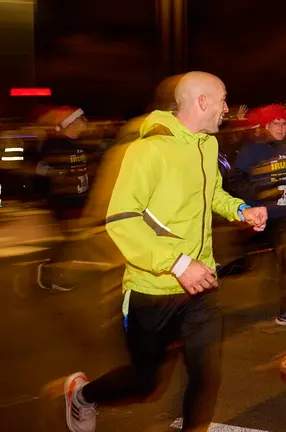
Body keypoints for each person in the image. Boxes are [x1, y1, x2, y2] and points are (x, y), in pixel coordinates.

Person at [61, 71, 268, 432]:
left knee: (206, 375)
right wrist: (176, 263)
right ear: (202, 102)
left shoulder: (207, 145)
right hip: (151, 289)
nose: (227, 109)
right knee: (145, 381)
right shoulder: (148, 150)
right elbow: (121, 219)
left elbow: (212, 195)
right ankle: (82, 395)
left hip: (201, 284)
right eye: (222, 100)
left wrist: (239, 209)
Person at [234, 103, 286, 330]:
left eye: (284, 123)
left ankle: (284, 313)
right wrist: (260, 193)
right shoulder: (252, 149)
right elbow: (235, 179)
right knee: (238, 266)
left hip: (280, 216)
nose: (281, 127)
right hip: (256, 215)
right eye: (276, 123)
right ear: (266, 125)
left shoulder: (285, 148)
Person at [35, 106, 91, 291]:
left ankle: (51, 272)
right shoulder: (57, 145)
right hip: (64, 202)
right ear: (72, 123)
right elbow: (44, 170)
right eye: (82, 119)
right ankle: (50, 274)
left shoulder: (78, 145)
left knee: (71, 242)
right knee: (69, 242)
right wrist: (58, 176)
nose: (86, 123)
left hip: (77, 200)